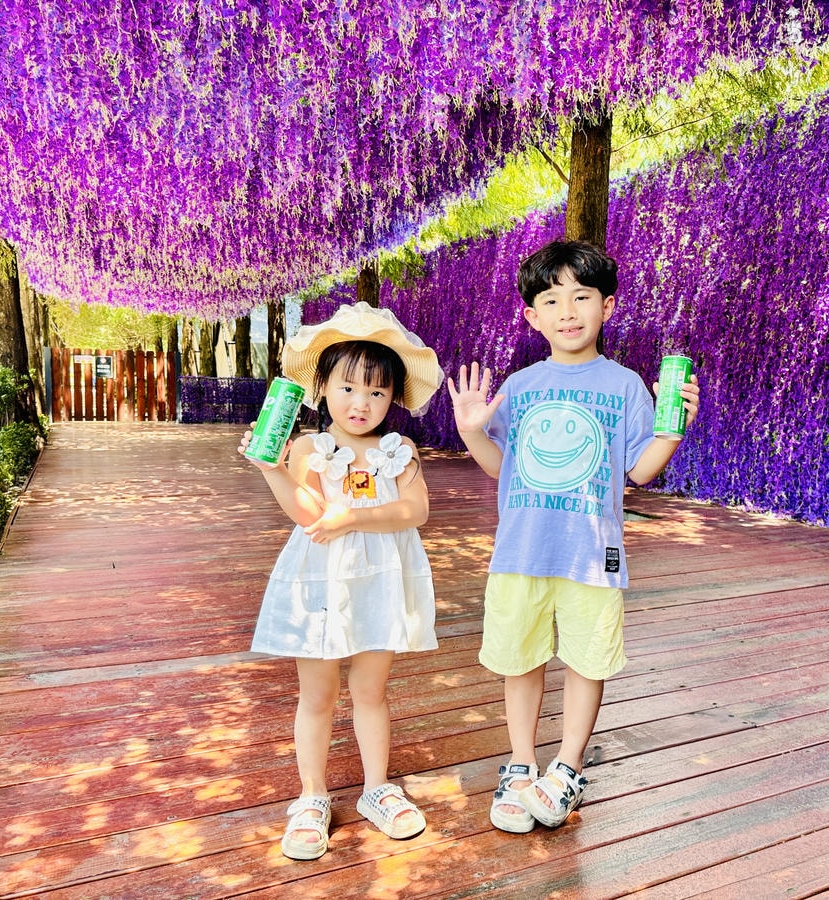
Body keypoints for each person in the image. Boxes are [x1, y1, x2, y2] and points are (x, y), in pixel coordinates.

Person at [448, 239, 701, 833]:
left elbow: (636, 472)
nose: (568, 311)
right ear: (532, 316)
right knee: (520, 656)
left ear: (606, 307)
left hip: (593, 553)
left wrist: (674, 432)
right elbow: (500, 465)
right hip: (522, 548)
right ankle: (520, 762)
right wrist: (470, 431)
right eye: (552, 299)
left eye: (582, 297)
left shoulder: (626, 386)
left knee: (589, 658)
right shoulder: (522, 384)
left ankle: (567, 767)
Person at [239, 301, 444, 859]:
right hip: (323, 585)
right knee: (318, 695)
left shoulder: (397, 451)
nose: (361, 403)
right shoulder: (310, 446)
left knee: (372, 691)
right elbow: (306, 513)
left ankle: (377, 788)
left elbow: (415, 511)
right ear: (322, 386)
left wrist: (353, 516)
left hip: (380, 581)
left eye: (377, 393)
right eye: (348, 387)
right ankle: (312, 796)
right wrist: (273, 472)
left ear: (394, 398)